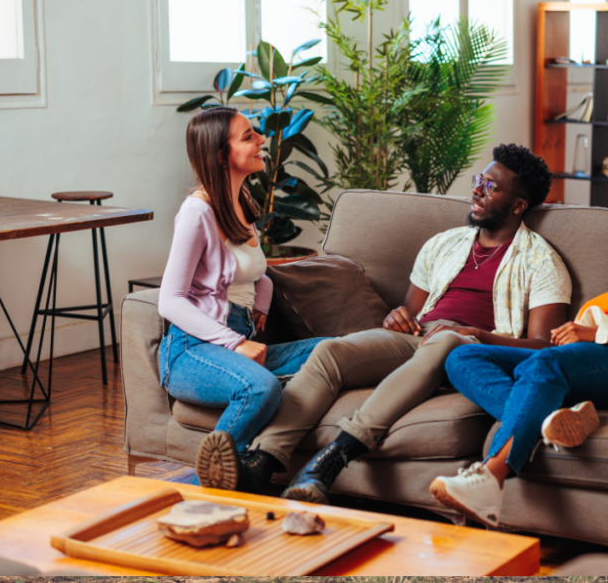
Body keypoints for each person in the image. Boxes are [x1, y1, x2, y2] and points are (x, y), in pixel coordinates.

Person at [196, 143, 573, 500]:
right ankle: (262, 461)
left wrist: (475, 333)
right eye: (478, 181)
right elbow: (410, 314)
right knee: (330, 351)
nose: (477, 191)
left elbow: (542, 348)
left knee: (445, 339)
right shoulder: (444, 243)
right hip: (420, 338)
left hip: (474, 350)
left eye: (490, 187)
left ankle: (331, 461)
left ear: (519, 205)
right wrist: (397, 316)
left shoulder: (540, 261)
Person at [428, 196, 608, 527]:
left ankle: (490, 477)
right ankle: (554, 419)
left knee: (543, 365)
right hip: (570, 364)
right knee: (462, 356)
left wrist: (595, 331)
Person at [158, 107, 327, 486]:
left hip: (240, 337)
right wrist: (235, 343)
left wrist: (261, 301)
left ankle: (244, 475)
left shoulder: (242, 202)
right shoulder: (197, 212)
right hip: (192, 350)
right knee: (259, 386)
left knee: (334, 351)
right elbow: (169, 300)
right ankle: (192, 486)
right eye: (248, 136)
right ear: (221, 154)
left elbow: (253, 269)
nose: (261, 140)